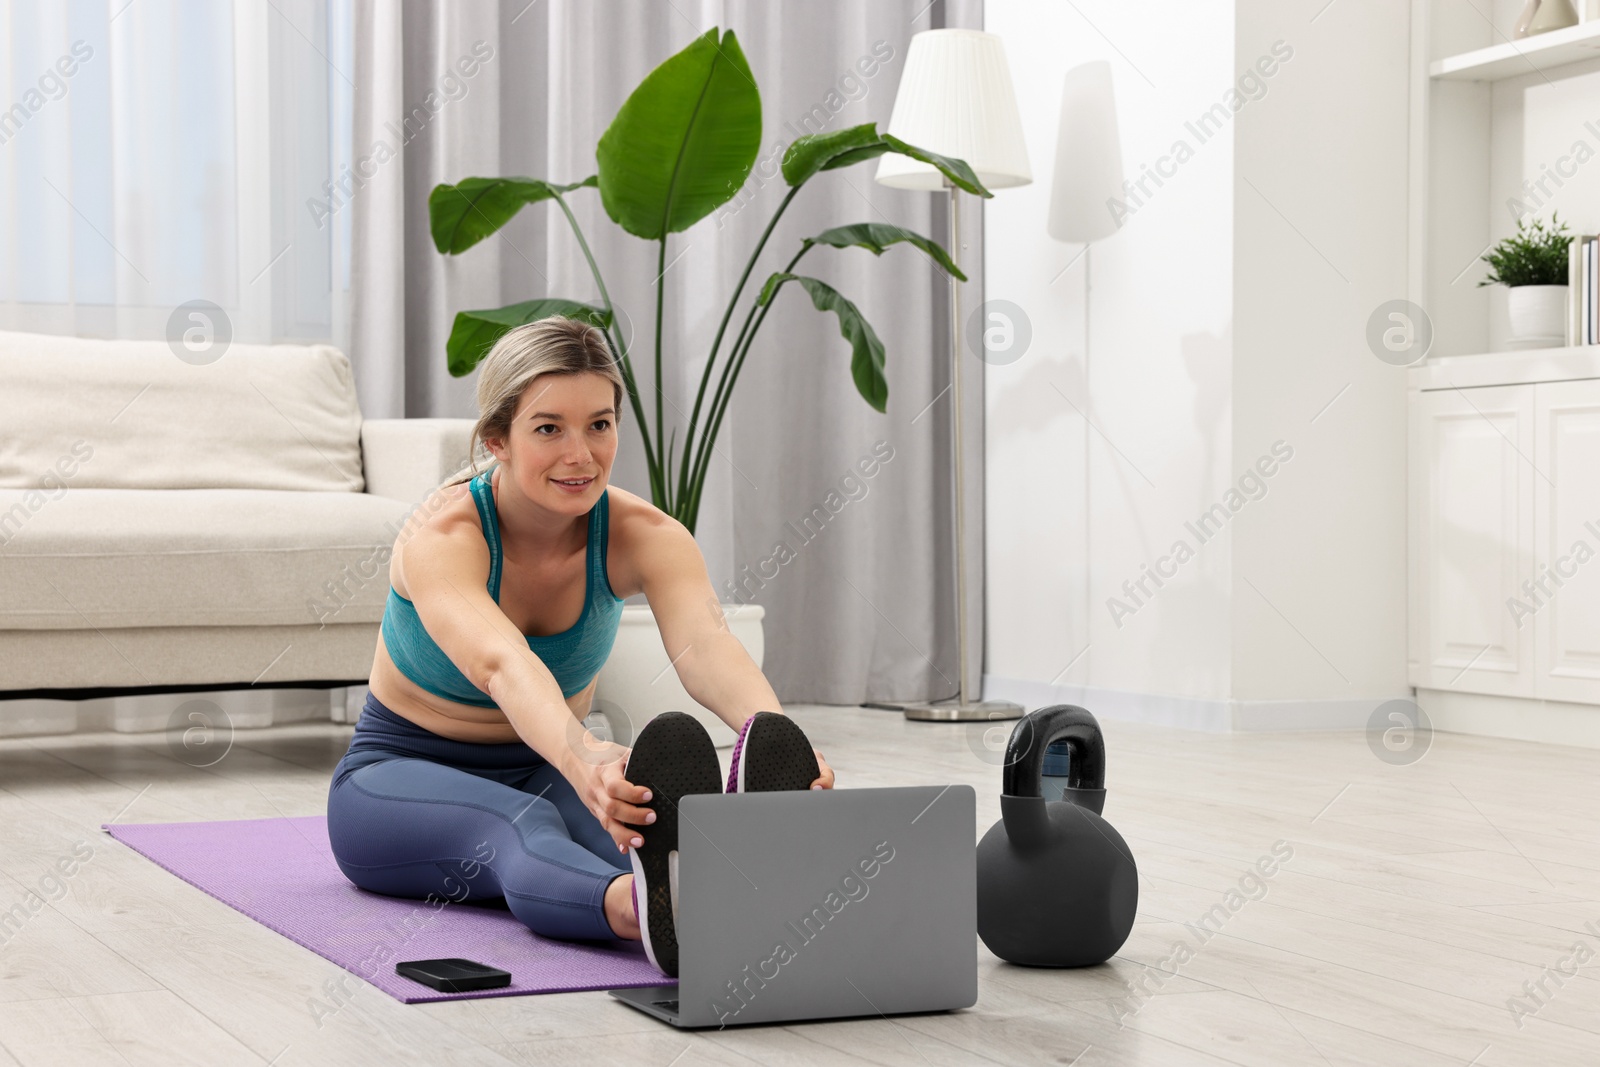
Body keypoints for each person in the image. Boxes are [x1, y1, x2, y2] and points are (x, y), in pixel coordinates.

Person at [326, 316, 833, 975]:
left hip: (544, 764)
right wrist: (586, 755)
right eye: (548, 428)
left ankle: (728, 885)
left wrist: (780, 737)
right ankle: (644, 913)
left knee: (643, 822)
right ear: (496, 439)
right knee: (518, 825)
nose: (581, 453)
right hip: (392, 778)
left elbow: (705, 644)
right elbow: (503, 665)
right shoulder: (444, 537)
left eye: (599, 424)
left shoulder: (645, 534)